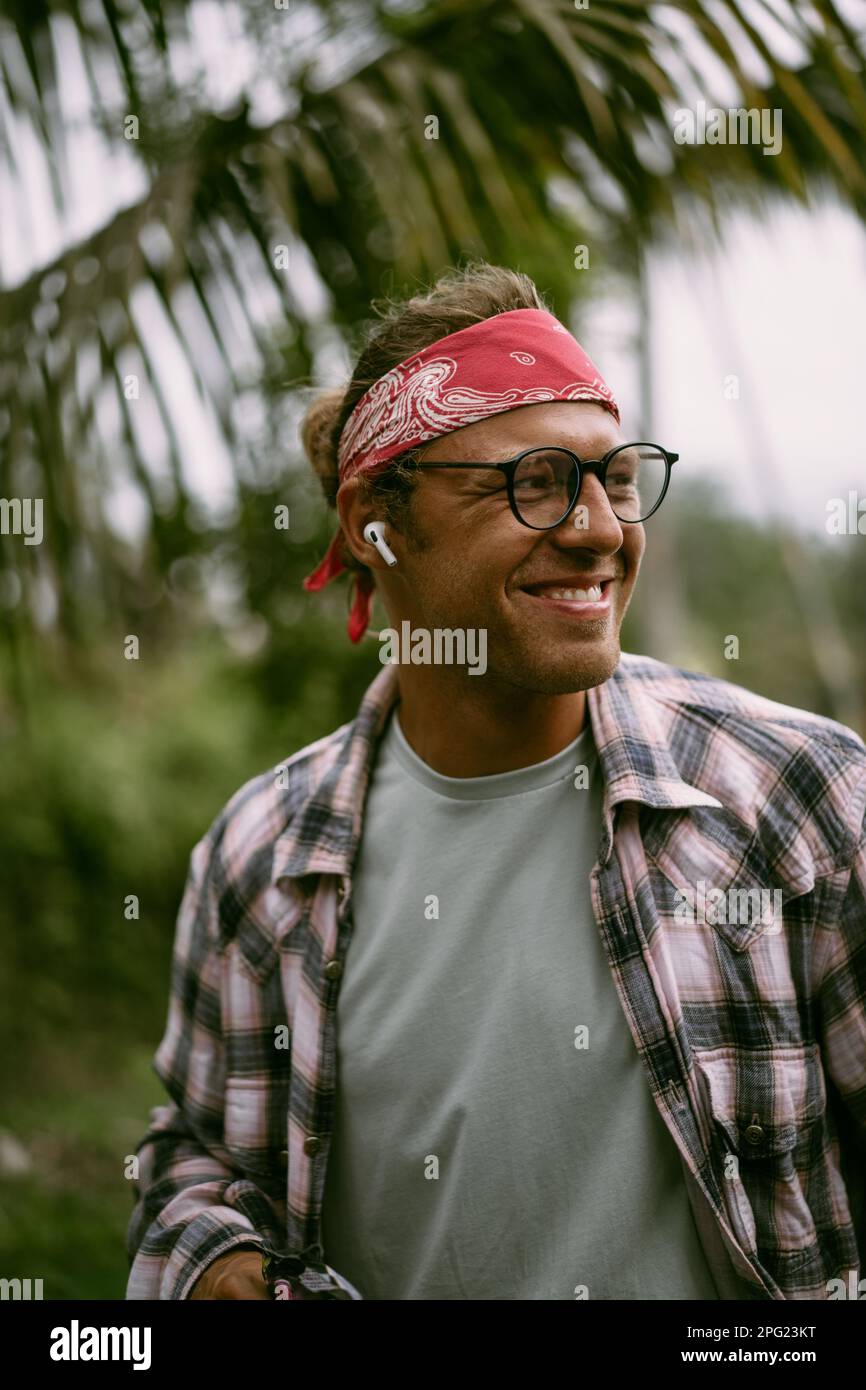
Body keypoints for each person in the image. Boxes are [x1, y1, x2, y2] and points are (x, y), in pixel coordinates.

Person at [126, 261, 866, 1301]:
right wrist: (216, 1259)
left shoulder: (798, 802)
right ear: (373, 525)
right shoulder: (262, 859)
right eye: (531, 482)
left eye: (612, 476)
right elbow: (195, 1152)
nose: (599, 528)